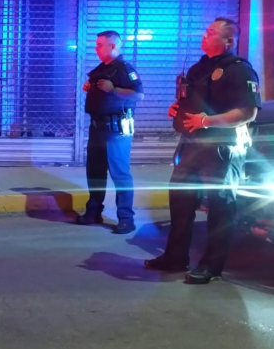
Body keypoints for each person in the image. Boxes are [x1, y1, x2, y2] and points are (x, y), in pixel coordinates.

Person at [145, 18, 261, 284]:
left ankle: (211, 266)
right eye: (206, 31)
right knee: (181, 200)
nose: (204, 35)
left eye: (211, 33)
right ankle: (175, 257)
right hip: (191, 145)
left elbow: (248, 112)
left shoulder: (239, 70)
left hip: (221, 147)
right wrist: (177, 109)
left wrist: (207, 121)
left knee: (220, 206)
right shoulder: (199, 67)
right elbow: (191, 100)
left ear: (228, 41)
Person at [76, 30, 144, 234]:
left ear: (112, 46)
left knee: (120, 173)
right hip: (97, 127)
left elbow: (138, 95)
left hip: (116, 129)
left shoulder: (123, 68)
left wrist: (113, 89)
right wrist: (90, 87)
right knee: (95, 172)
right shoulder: (101, 69)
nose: (96, 48)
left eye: (99, 45)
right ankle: (93, 212)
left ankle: (126, 219)